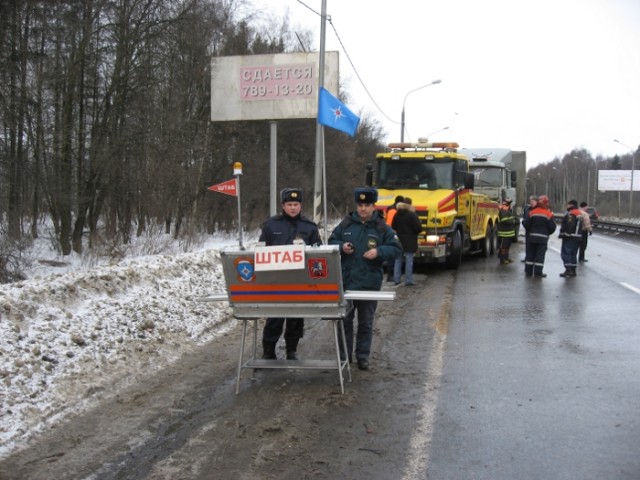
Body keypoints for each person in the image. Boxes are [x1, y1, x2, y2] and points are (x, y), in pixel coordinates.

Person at [328, 187, 402, 370]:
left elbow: (396, 249)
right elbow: (330, 242)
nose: (363, 209)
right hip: (347, 282)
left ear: (373, 206)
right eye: (360, 205)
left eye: (367, 205)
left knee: (366, 323)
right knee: (344, 322)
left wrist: (379, 251)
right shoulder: (346, 224)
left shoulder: (381, 227)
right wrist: (341, 246)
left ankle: (363, 357)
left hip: (369, 283)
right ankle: (344, 357)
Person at [260, 188, 321, 360]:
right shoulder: (271, 225)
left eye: (296, 204)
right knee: (275, 317)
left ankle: (291, 350)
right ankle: (268, 351)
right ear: (283, 205)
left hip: (299, 281)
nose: (293, 208)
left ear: (301, 205)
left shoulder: (309, 227)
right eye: (289, 204)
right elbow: (261, 251)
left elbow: (318, 254)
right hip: (276, 280)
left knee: (296, 317)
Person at [521, 194, 556, 278]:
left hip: (531, 237)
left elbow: (526, 223)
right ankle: (538, 273)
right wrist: (547, 233)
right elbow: (552, 227)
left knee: (530, 255)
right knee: (540, 256)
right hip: (543, 238)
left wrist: (530, 230)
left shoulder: (532, 212)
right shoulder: (548, 214)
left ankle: (528, 271)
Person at [391, 197, 421, 285]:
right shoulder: (412, 215)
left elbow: (393, 226)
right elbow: (418, 228)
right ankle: (408, 280)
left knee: (398, 259)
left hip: (399, 239)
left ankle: (396, 279)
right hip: (410, 239)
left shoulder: (397, 214)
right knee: (409, 259)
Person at [558, 199, 583, 278]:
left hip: (570, 236)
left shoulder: (571, 214)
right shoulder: (579, 213)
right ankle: (573, 270)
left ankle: (568, 270)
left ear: (571, 205)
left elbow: (570, 225)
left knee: (566, 253)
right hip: (577, 237)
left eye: (568, 204)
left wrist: (565, 233)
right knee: (573, 254)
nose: (567, 206)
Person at [496, 197, 517, 264]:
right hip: (504, 232)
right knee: (503, 247)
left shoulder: (507, 209)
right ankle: (502, 259)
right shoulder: (503, 209)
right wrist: (513, 221)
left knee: (507, 246)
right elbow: (504, 220)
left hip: (508, 232)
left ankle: (506, 258)